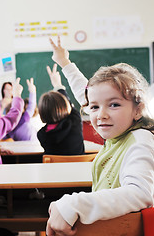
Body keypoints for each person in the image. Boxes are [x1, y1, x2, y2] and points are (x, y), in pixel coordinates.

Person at [46, 36, 154, 236]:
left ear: (138, 110)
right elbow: (84, 93)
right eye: (94, 107)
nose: (101, 114)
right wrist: (64, 63)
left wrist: (74, 203)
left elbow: (140, 193)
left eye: (114, 104)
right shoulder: (121, 132)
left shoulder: (140, 140)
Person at [37, 63, 85, 155]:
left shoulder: (42, 135)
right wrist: (58, 85)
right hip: (78, 168)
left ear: (42, 112)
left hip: (54, 169)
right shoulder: (75, 121)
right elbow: (69, 105)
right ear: (65, 105)